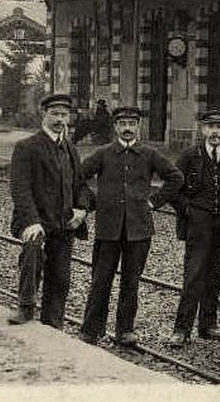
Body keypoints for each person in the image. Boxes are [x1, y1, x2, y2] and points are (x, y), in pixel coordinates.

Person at [78, 105, 184, 345]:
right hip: (108, 230)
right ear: (115, 126)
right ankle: (91, 329)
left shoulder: (149, 154)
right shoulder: (103, 153)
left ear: (138, 126)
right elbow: (78, 177)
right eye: (122, 124)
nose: (127, 129)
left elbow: (176, 177)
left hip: (139, 230)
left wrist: (154, 202)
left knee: (130, 282)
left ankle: (125, 330)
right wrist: (91, 202)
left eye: (132, 124)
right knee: (100, 280)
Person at [168, 109, 220, 348]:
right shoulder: (190, 156)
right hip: (198, 228)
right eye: (210, 127)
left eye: (219, 127)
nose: (215, 132)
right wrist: (188, 211)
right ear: (203, 130)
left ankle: (208, 325)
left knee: (214, 276)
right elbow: (173, 188)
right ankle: (181, 329)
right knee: (193, 276)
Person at [8, 93, 89, 328]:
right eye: (55, 114)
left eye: (64, 115)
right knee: (32, 256)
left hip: (64, 223)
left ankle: (53, 322)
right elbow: (20, 189)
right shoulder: (27, 147)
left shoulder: (70, 148)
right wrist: (31, 221)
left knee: (61, 277)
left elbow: (81, 184)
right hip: (37, 221)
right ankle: (25, 306)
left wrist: (82, 209)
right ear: (44, 114)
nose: (60, 119)